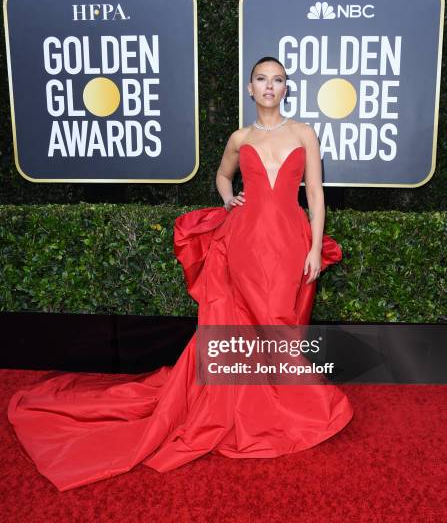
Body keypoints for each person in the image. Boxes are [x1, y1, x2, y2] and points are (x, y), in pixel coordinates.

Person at [7, 56, 354, 492]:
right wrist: (230, 201)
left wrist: (313, 249)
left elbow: (317, 195)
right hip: (243, 243)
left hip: (288, 243)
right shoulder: (239, 137)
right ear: (250, 89)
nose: (270, 86)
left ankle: (279, 405)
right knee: (244, 324)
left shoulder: (303, 132)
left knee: (277, 324)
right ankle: (264, 407)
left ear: (287, 88)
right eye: (262, 79)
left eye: (278, 80)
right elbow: (221, 176)